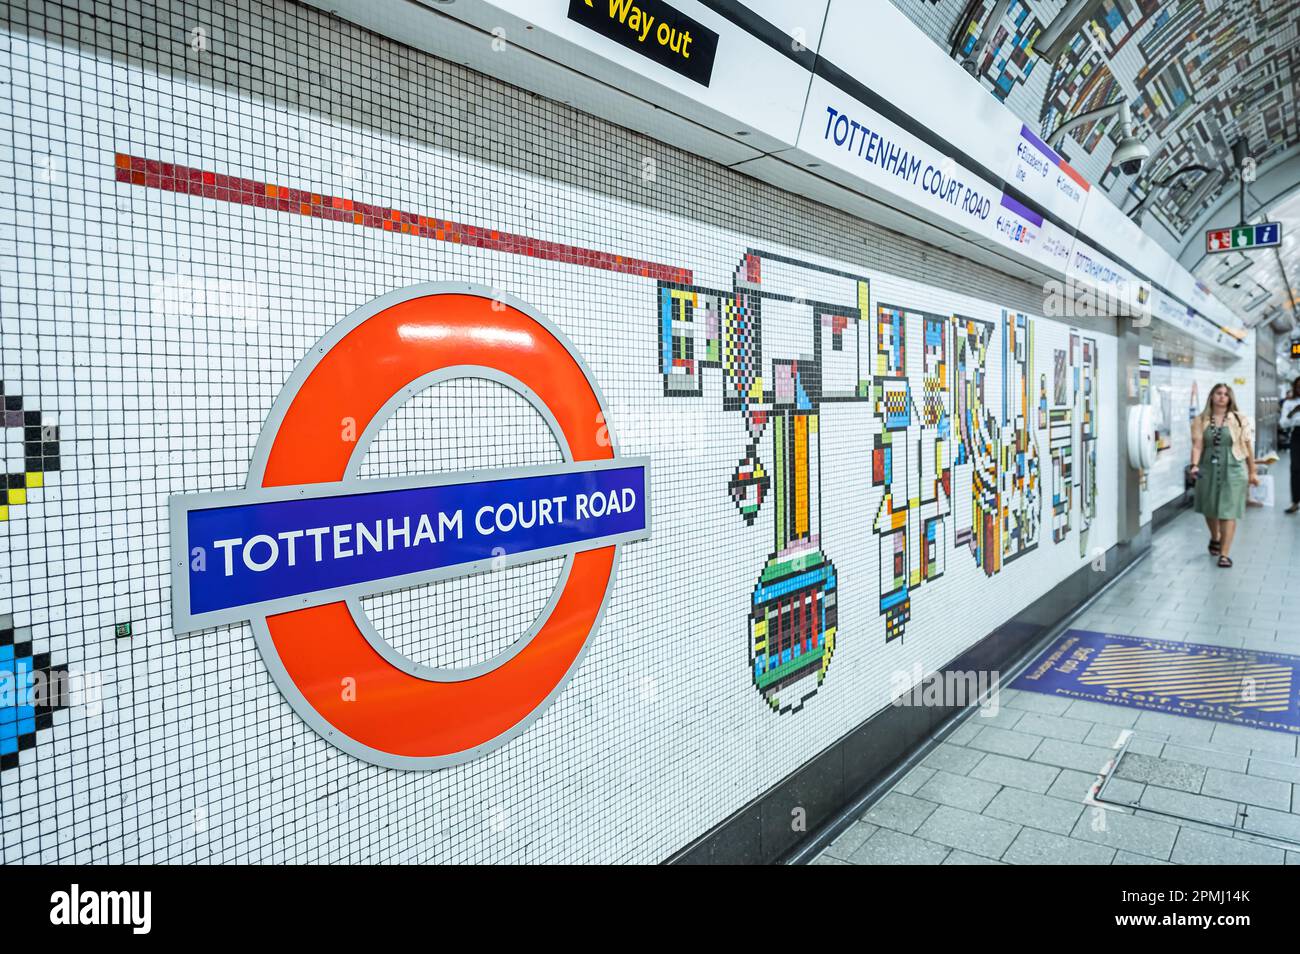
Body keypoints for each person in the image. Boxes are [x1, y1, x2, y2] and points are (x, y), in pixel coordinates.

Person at [1190, 383, 1258, 567]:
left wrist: (1252, 471)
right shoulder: (1200, 419)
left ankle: (1225, 554)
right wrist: (1194, 465)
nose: (1222, 397)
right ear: (1211, 396)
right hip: (1207, 467)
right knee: (1210, 507)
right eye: (1218, 393)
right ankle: (1215, 537)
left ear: (1230, 398)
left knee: (1228, 511)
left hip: (1234, 468)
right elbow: (1197, 445)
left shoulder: (1239, 419)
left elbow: (1247, 447)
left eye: (1226, 394)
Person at [1283, 377, 1300, 514]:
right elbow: (1283, 423)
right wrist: (1293, 412)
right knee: (1295, 468)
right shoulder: (1289, 403)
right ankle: (1295, 502)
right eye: (1298, 386)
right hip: (1297, 435)